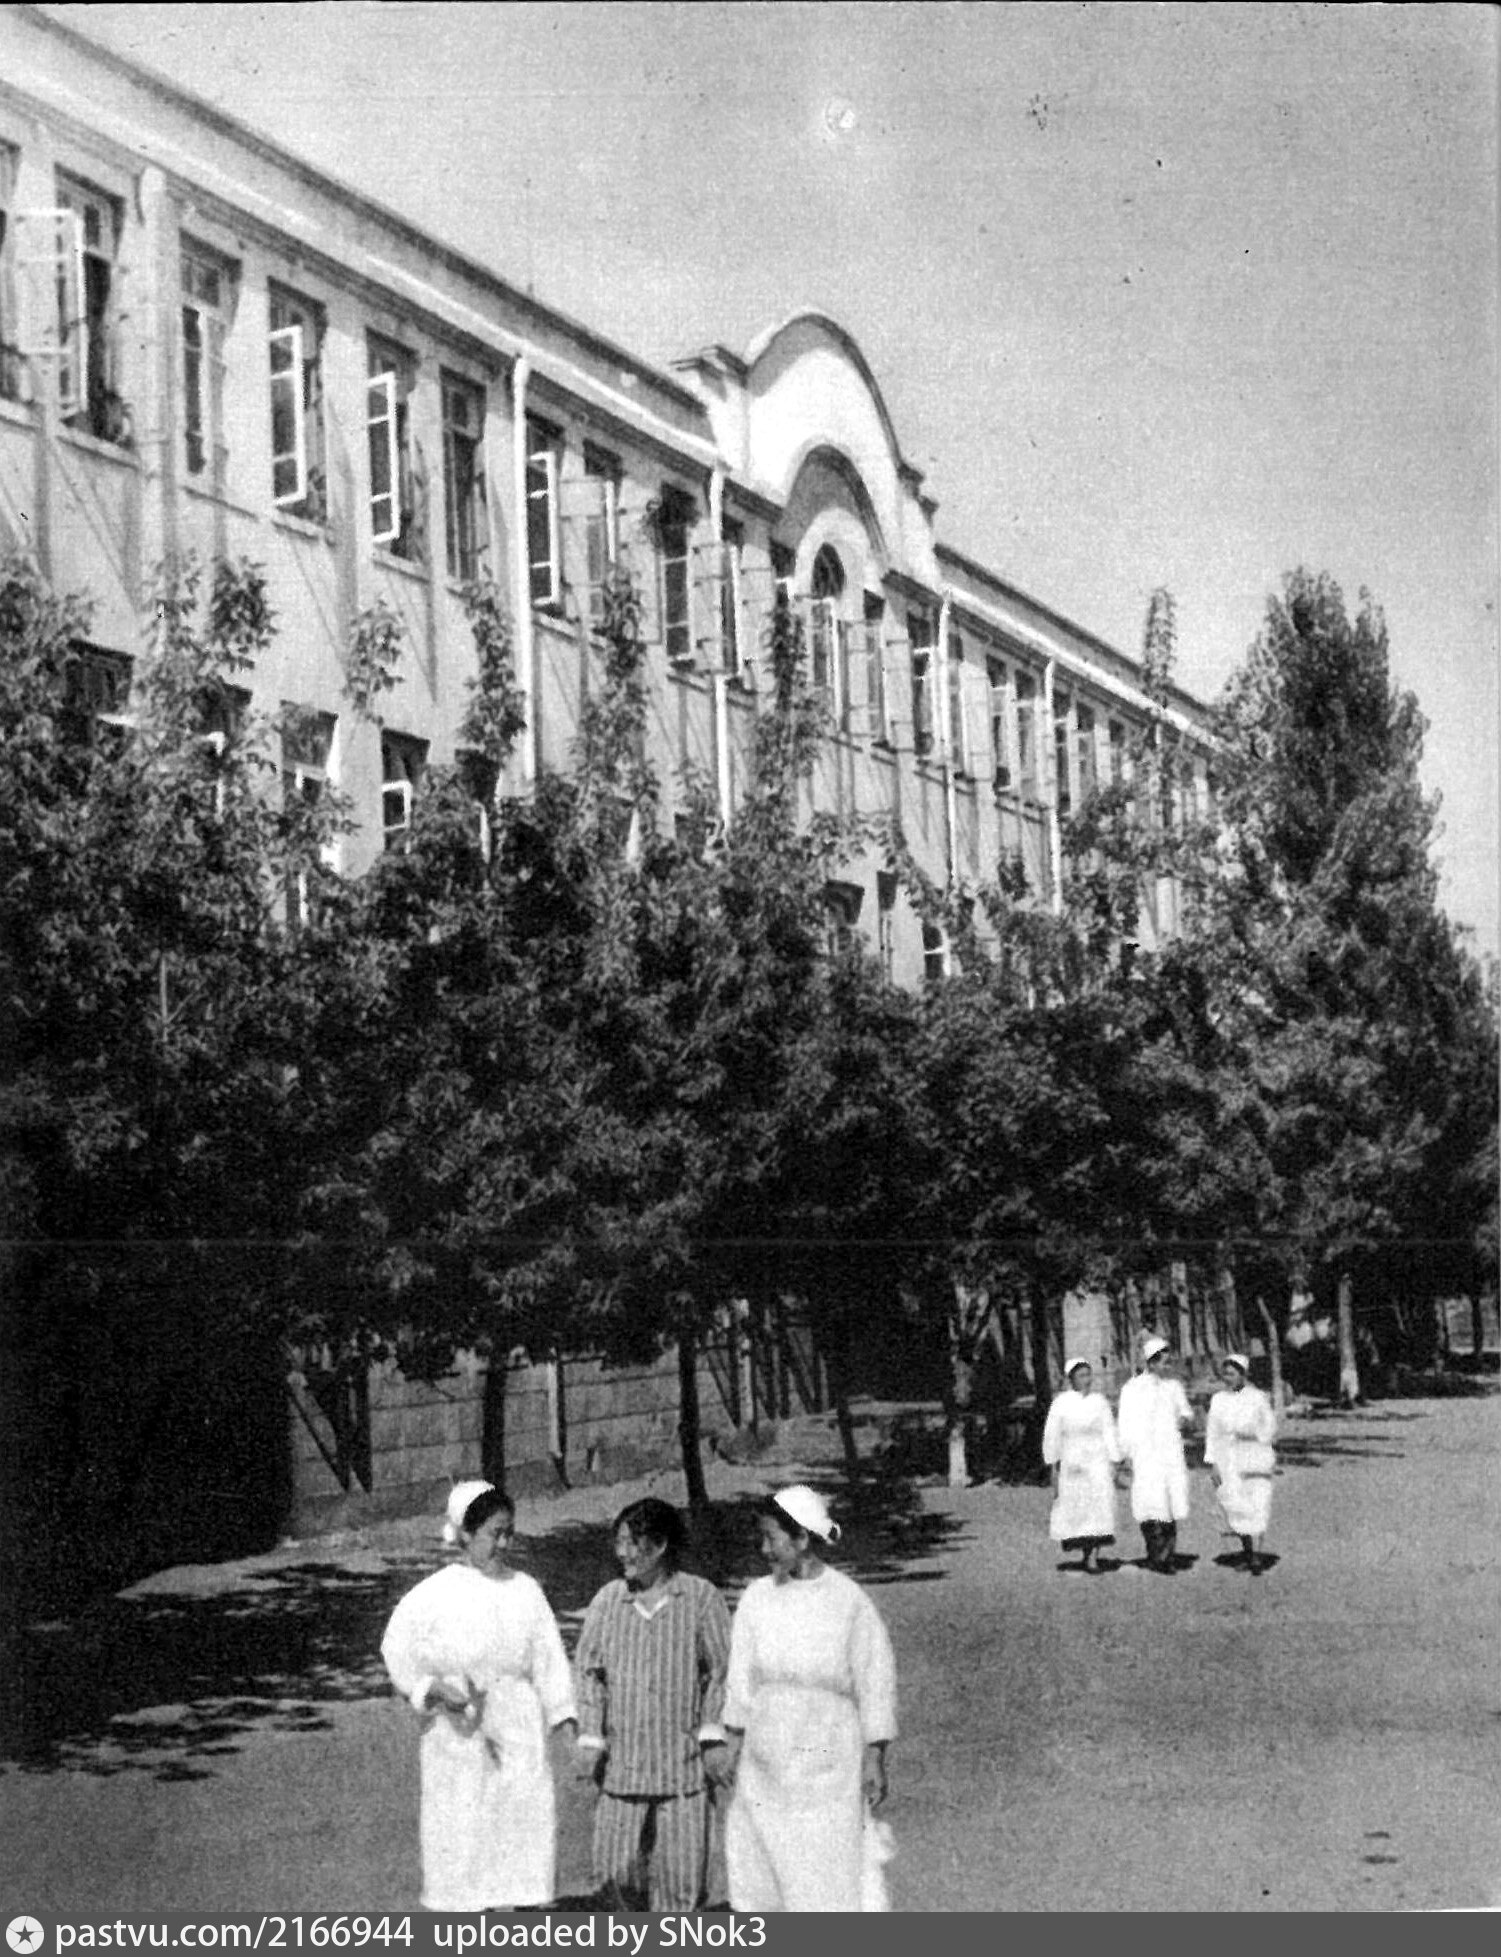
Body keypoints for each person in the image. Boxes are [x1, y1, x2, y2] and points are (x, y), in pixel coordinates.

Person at [380, 1481, 577, 1911]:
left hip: (517, 1725)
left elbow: (549, 1656)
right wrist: (430, 1688)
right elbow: (396, 1648)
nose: (503, 1543)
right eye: (494, 1533)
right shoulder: (434, 1593)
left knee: (521, 1831)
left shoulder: (526, 1589)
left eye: (510, 1533)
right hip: (459, 1731)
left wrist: (562, 1714)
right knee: (462, 1831)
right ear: (466, 1534)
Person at [721, 1485, 898, 1912]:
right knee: (763, 1868)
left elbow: (875, 1679)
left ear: (801, 1538)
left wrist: (875, 1756)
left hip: (828, 1757)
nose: (764, 1549)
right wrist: (732, 1742)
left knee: (825, 1868)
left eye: (772, 1539)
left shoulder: (848, 1600)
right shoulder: (756, 1599)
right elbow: (740, 1679)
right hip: (766, 1760)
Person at [574, 1497, 734, 1912]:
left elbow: (721, 1672)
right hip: (621, 1773)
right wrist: (591, 1736)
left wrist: (712, 1737)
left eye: (632, 1543)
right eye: (619, 1542)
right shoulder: (609, 1600)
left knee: (680, 1890)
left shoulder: (700, 1598)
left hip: (682, 1773)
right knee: (612, 1883)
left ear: (660, 1545)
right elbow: (588, 1672)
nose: (622, 1553)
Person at [1116, 1336, 1195, 1573]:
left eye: (1169, 1362)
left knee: (1170, 1503)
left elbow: (1186, 1413)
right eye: (1163, 1362)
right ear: (1151, 1362)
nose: (1167, 1367)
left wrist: (1183, 1420)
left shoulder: (1173, 1387)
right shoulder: (1132, 1389)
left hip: (1169, 1452)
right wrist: (1126, 1453)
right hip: (1145, 1454)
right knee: (1149, 1503)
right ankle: (1155, 1553)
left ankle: (1167, 1555)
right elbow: (1125, 1423)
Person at [1041, 1357, 1122, 1572]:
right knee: (1079, 1506)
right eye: (1081, 1376)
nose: (1087, 1380)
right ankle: (1084, 1551)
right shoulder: (1061, 1403)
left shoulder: (1099, 1402)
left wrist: (1114, 1459)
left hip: (1097, 1459)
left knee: (1098, 1506)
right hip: (1073, 1460)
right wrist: (1053, 1463)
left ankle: (1093, 1556)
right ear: (1071, 1379)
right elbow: (1052, 1434)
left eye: (1088, 1375)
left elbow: (1109, 1430)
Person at [1204, 1353, 1278, 1573]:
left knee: (1257, 1501)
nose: (1228, 1378)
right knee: (1236, 1504)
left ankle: (1256, 1554)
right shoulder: (1218, 1399)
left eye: (1232, 1374)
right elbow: (1212, 1432)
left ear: (1243, 1375)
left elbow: (1270, 1426)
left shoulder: (1257, 1397)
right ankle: (1248, 1552)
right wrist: (1213, 1462)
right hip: (1228, 1457)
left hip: (1254, 1455)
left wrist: (1255, 1436)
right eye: (1225, 1374)